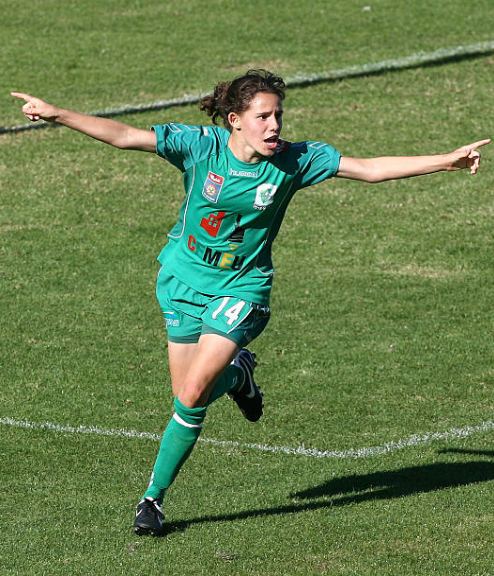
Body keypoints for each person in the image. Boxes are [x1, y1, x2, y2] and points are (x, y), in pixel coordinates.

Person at [12, 69, 490, 537]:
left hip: (242, 288)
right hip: (180, 280)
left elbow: (366, 169)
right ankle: (240, 375)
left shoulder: (295, 160)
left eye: (278, 115)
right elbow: (124, 136)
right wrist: (57, 114)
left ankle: (152, 500)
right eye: (263, 116)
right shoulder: (200, 146)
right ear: (235, 119)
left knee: (195, 391)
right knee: (188, 397)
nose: (275, 125)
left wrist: (443, 161)